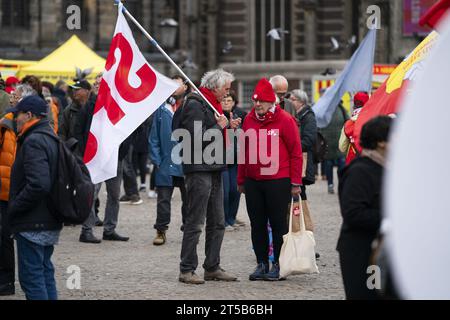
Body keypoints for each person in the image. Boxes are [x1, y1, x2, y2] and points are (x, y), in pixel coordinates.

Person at [238, 78, 303, 281]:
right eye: (255, 101)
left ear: (272, 101)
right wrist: (241, 179)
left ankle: (278, 264)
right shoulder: (248, 120)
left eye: (262, 101)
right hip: (253, 181)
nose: (258, 104)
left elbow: (296, 152)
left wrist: (295, 182)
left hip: (278, 180)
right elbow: (244, 151)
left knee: (277, 224)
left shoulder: (285, 120)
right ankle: (262, 263)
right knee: (257, 224)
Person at [178, 69, 239, 284]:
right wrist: (218, 126)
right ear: (214, 86)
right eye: (226, 88)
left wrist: (226, 126)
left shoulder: (210, 103)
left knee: (218, 222)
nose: (228, 92)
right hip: (198, 169)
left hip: (214, 167)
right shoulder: (195, 103)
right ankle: (186, 269)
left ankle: (212, 267)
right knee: (195, 222)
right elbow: (192, 137)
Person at [6, 95, 61, 300]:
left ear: (28, 115)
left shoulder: (34, 140)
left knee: (33, 278)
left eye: (17, 114)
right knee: (44, 272)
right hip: (45, 219)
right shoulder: (48, 135)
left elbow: (39, 184)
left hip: (34, 222)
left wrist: (15, 206)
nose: (15, 119)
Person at [337, 115, 393, 300]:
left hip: (379, 250)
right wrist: (392, 218)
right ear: (381, 143)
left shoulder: (387, 169)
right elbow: (353, 213)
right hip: (361, 253)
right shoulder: (360, 171)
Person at [149, 76, 189, 245]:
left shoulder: (191, 106)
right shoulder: (161, 107)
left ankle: (189, 229)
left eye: (177, 83)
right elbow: (154, 136)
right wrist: (157, 160)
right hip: (166, 161)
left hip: (187, 162)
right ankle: (161, 230)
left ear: (186, 87)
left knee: (189, 199)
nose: (172, 87)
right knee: (163, 199)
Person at [289, 89, 317, 233]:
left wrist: (291, 145)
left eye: (292, 99)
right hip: (296, 163)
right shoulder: (297, 115)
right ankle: (297, 230)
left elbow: (310, 140)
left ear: (300, 101)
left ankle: (303, 231)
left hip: (302, 164)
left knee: (300, 196)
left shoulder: (308, 116)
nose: (290, 102)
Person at [221, 90, 247, 231]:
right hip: (222, 160)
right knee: (224, 192)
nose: (226, 103)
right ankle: (223, 220)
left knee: (234, 191)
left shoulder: (240, 116)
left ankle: (231, 218)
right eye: (224, 100)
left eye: (229, 100)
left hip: (236, 159)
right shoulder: (217, 116)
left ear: (234, 103)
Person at [0, 112, 17, 296]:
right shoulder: (6, 124)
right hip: (4, 187)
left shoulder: (10, 125)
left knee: (6, 236)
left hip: (8, 191)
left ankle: (7, 280)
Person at [320, 101, 349, 194]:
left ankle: (342, 184)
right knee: (328, 166)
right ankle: (330, 184)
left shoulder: (341, 108)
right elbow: (319, 123)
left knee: (342, 166)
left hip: (339, 144)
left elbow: (348, 122)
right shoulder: (324, 109)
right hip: (328, 144)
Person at [339, 91, 370, 165]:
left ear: (354, 105)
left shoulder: (348, 124)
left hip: (352, 163)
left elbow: (342, 148)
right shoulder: (374, 121)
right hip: (370, 163)